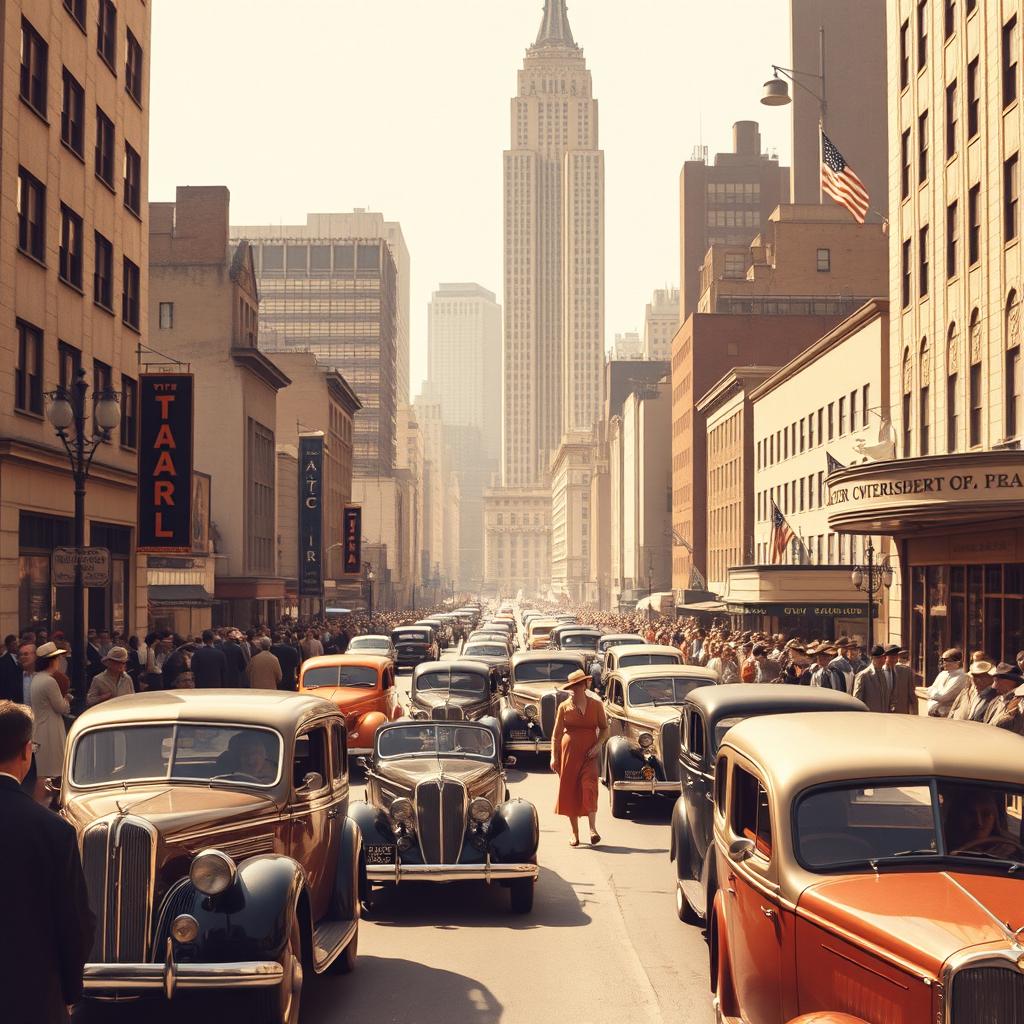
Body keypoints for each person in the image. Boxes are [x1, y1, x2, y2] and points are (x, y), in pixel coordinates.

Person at [0, 701, 96, 1022]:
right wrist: (70, 991)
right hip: (31, 995)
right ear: (27, 752)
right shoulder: (53, 829)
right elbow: (73, 921)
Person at [550, 669, 609, 847]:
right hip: (568, 755)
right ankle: (574, 833)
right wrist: (554, 756)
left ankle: (592, 829)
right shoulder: (564, 707)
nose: (576, 688)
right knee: (570, 792)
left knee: (589, 787)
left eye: (579, 685)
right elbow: (556, 735)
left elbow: (604, 728)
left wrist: (598, 746)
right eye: (573, 686)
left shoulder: (596, 705)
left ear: (585, 685)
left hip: (589, 754)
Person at [30, 642, 71, 803]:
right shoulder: (49, 681)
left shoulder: (36, 679)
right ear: (51, 661)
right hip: (50, 730)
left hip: (42, 727)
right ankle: (40, 807)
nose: (59, 661)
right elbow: (62, 707)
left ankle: (44, 806)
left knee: (45, 772)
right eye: (57, 658)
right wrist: (67, 698)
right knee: (47, 774)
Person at [943, 786, 1024, 859]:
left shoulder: (1011, 850)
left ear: (995, 819)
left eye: (986, 814)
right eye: (971, 814)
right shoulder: (943, 846)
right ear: (959, 816)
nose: (979, 822)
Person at [925, 648, 968, 717]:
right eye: (942, 659)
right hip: (933, 713)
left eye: (946, 660)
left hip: (948, 716)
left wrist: (932, 692)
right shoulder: (942, 674)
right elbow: (928, 690)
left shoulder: (962, 677)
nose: (943, 662)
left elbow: (943, 697)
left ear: (957, 661)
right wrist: (932, 693)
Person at [983, 663, 1024, 734]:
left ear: (1012, 681)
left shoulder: (1020, 702)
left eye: (999, 680)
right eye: (995, 680)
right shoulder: (996, 701)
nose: (995, 685)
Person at [853, 644, 890, 712]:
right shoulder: (863, 675)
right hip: (869, 718)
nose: (882, 660)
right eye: (879, 657)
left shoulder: (883, 674)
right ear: (872, 658)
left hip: (883, 717)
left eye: (884, 657)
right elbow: (857, 701)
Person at [883, 644, 916, 714]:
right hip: (883, 715)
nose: (894, 660)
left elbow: (912, 697)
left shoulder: (906, 672)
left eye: (896, 657)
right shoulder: (878, 673)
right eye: (891, 658)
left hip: (901, 715)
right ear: (885, 657)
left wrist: (914, 716)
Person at [0, 634, 20, 703]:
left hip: (20, 694)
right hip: (9, 697)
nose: (16, 645)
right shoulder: (3, 661)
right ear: (8, 646)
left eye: (17, 643)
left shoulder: (20, 657)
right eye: (14, 644)